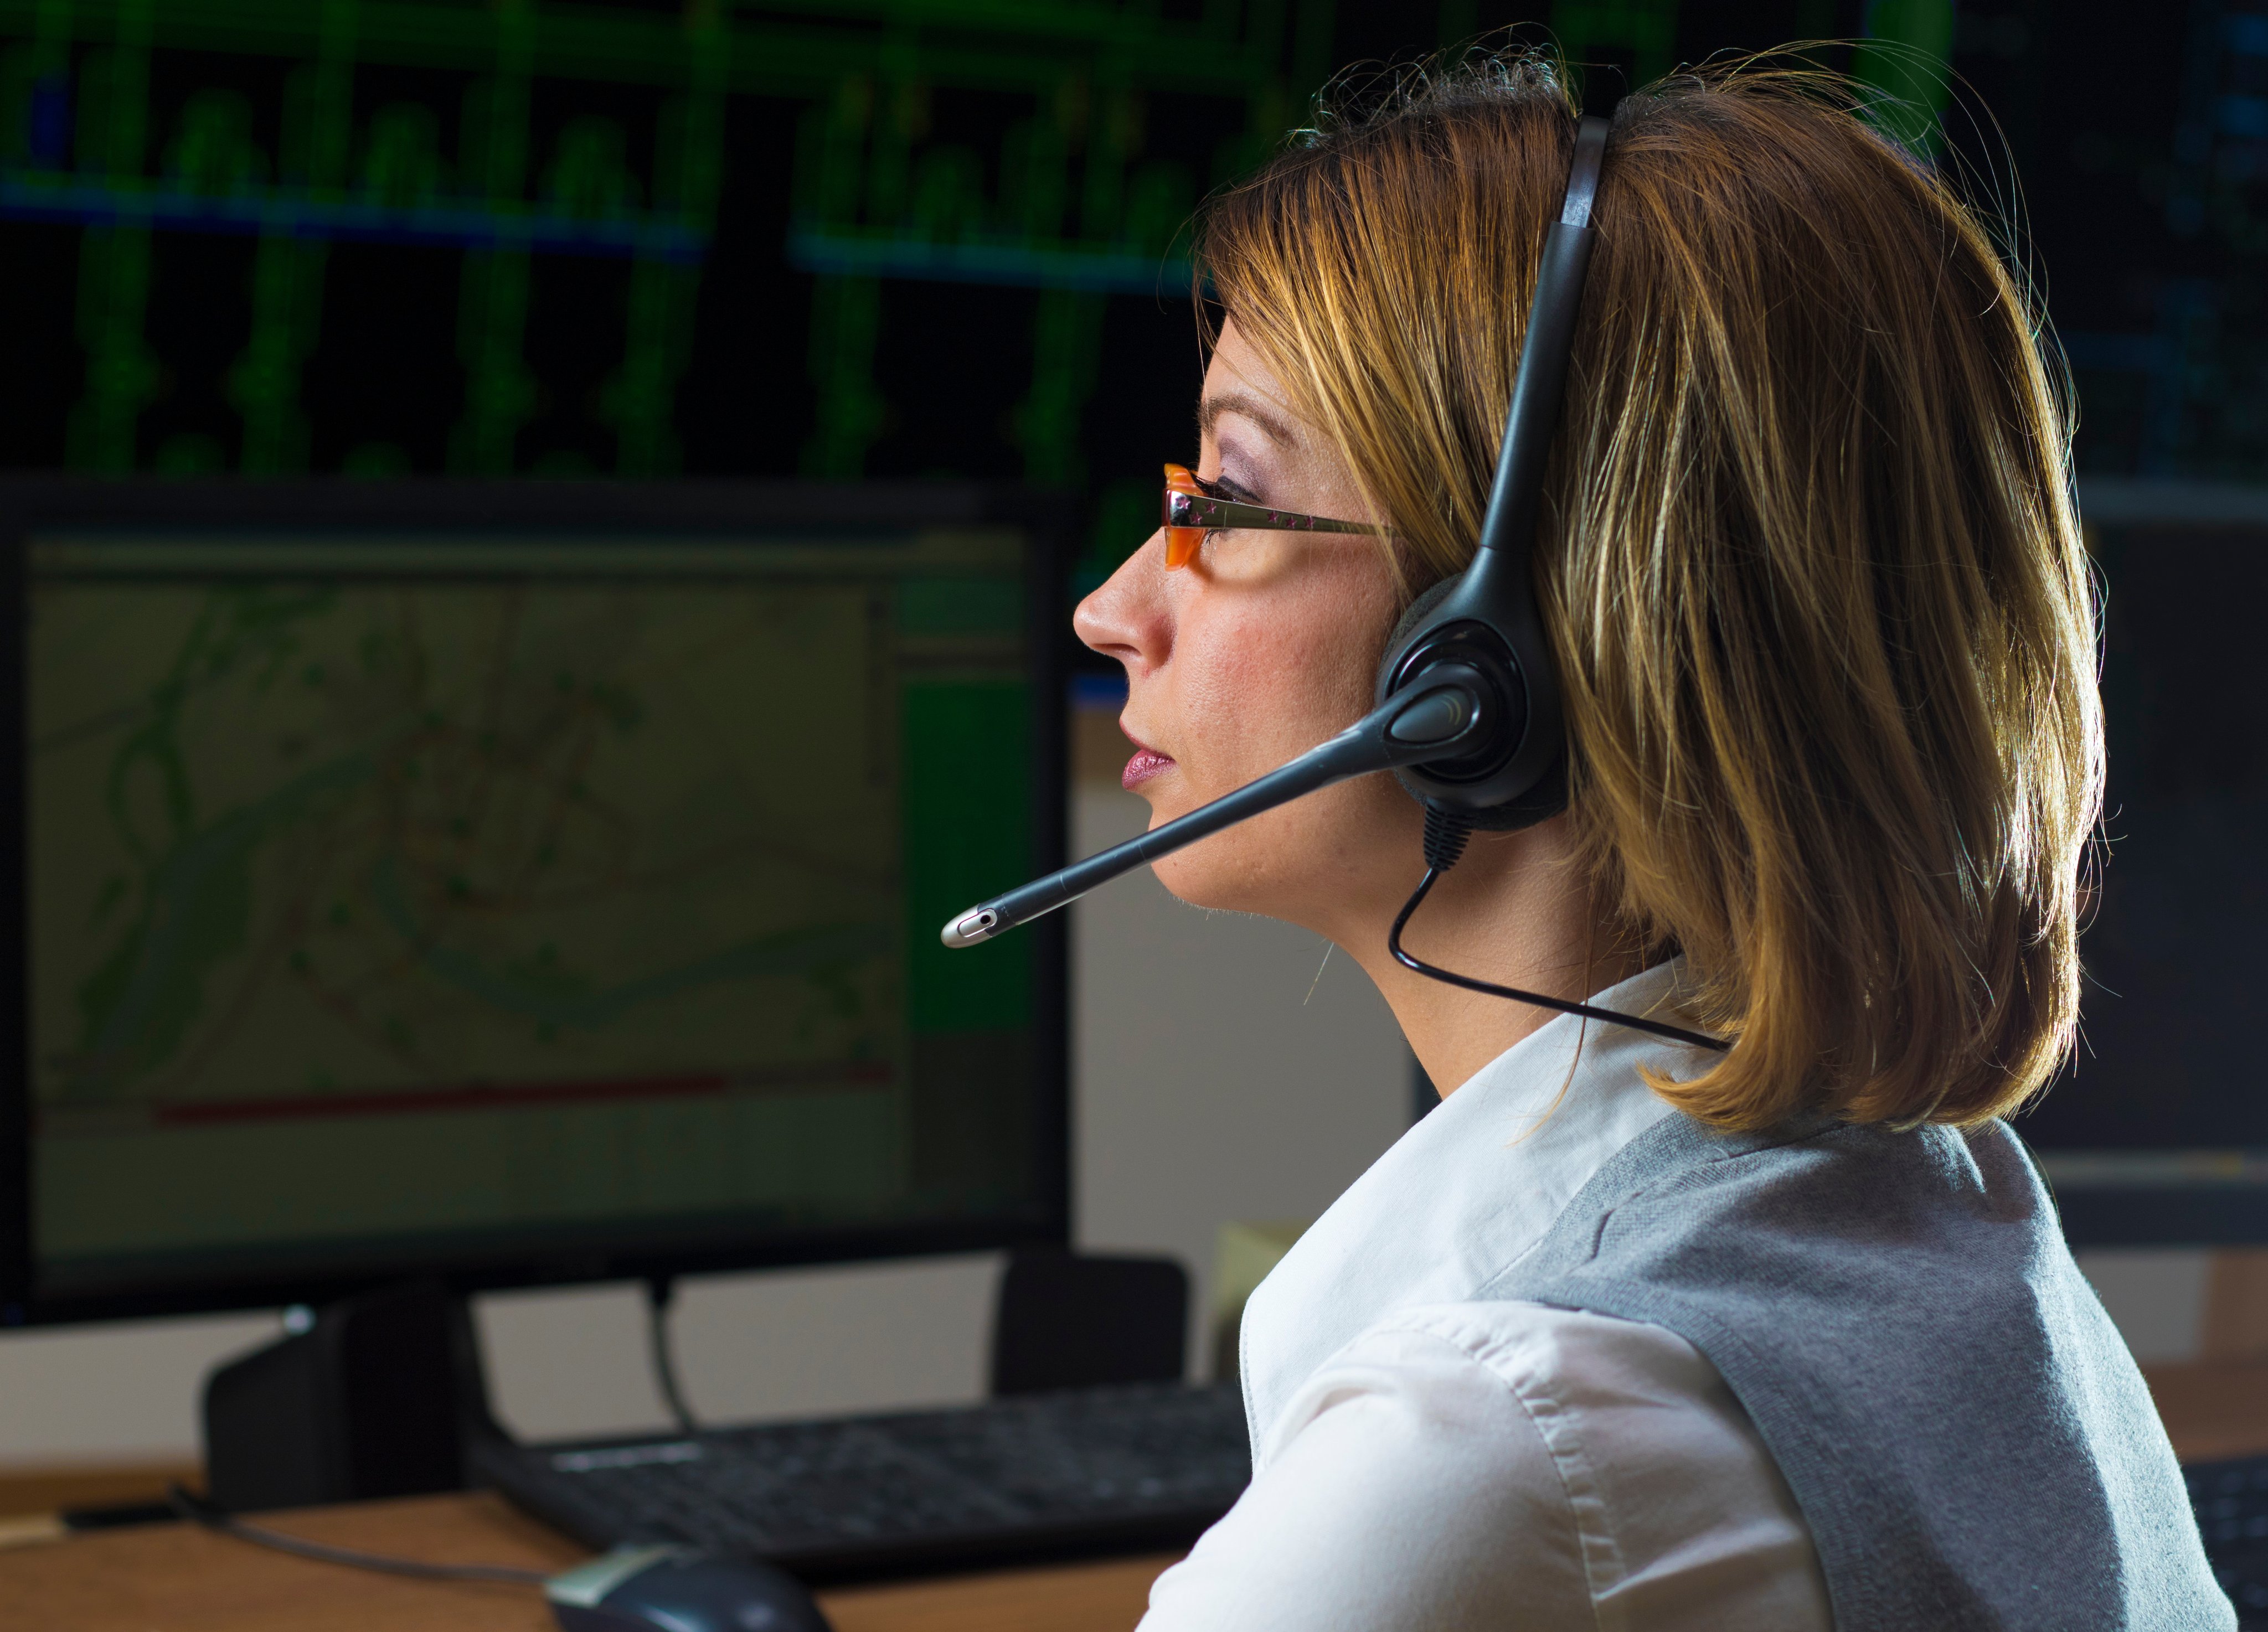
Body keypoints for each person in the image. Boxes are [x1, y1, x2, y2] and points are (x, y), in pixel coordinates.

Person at [1073, 50, 2231, 1632]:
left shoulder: (1505, 1447)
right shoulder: (1946, 1229)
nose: (1115, 607)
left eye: (1224, 499)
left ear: (1492, 650)